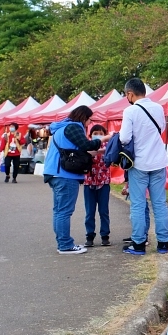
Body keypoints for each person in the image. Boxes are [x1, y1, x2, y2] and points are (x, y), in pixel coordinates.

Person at [120, 78, 168, 256]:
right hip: (159, 162)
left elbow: (124, 138)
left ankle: (139, 244)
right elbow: (161, 129)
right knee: (160, 204)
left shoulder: (130, 111)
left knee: (138, 205)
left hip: (139, 164)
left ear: (130, 94)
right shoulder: (158, 108)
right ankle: (163, 243)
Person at [43, 106, 103, 254]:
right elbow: (86, 145)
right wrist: (104, 139)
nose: (89, 123)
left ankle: (62, 243)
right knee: (64, 211)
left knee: (59, 211)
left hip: (54, 173)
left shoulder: (60, 127)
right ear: (84, 117)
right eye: (89, 120)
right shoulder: (74, 127)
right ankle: (65, 245)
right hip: (65, 175)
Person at [83, 124, 112, 248]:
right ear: (91, 134)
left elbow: (111, 153)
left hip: (104, 182)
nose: (98, 135)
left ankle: (105, 236)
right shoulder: (87, 144)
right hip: (89, 182)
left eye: (101, 133)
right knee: (90, 212)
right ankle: (90, 235)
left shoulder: (108, 145)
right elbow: (87, 152)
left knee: (104, 211)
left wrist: (99, 150)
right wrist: (98, 151)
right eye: (95, 132)